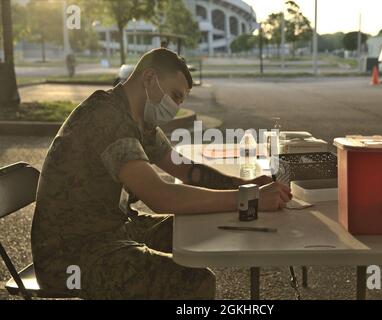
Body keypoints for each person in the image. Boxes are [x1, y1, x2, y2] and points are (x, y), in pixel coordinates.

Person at [31, 48, 291, 300]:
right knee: (195, 282)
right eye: (175, 96)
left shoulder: (138, 119)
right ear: (149, 78)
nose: (175, 107)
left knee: (203, 224)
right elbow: (161, 196)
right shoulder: (106, 118)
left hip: (111, 229)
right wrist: (249, 198)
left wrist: (244, 184)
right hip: (70, 255)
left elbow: (186, 170)